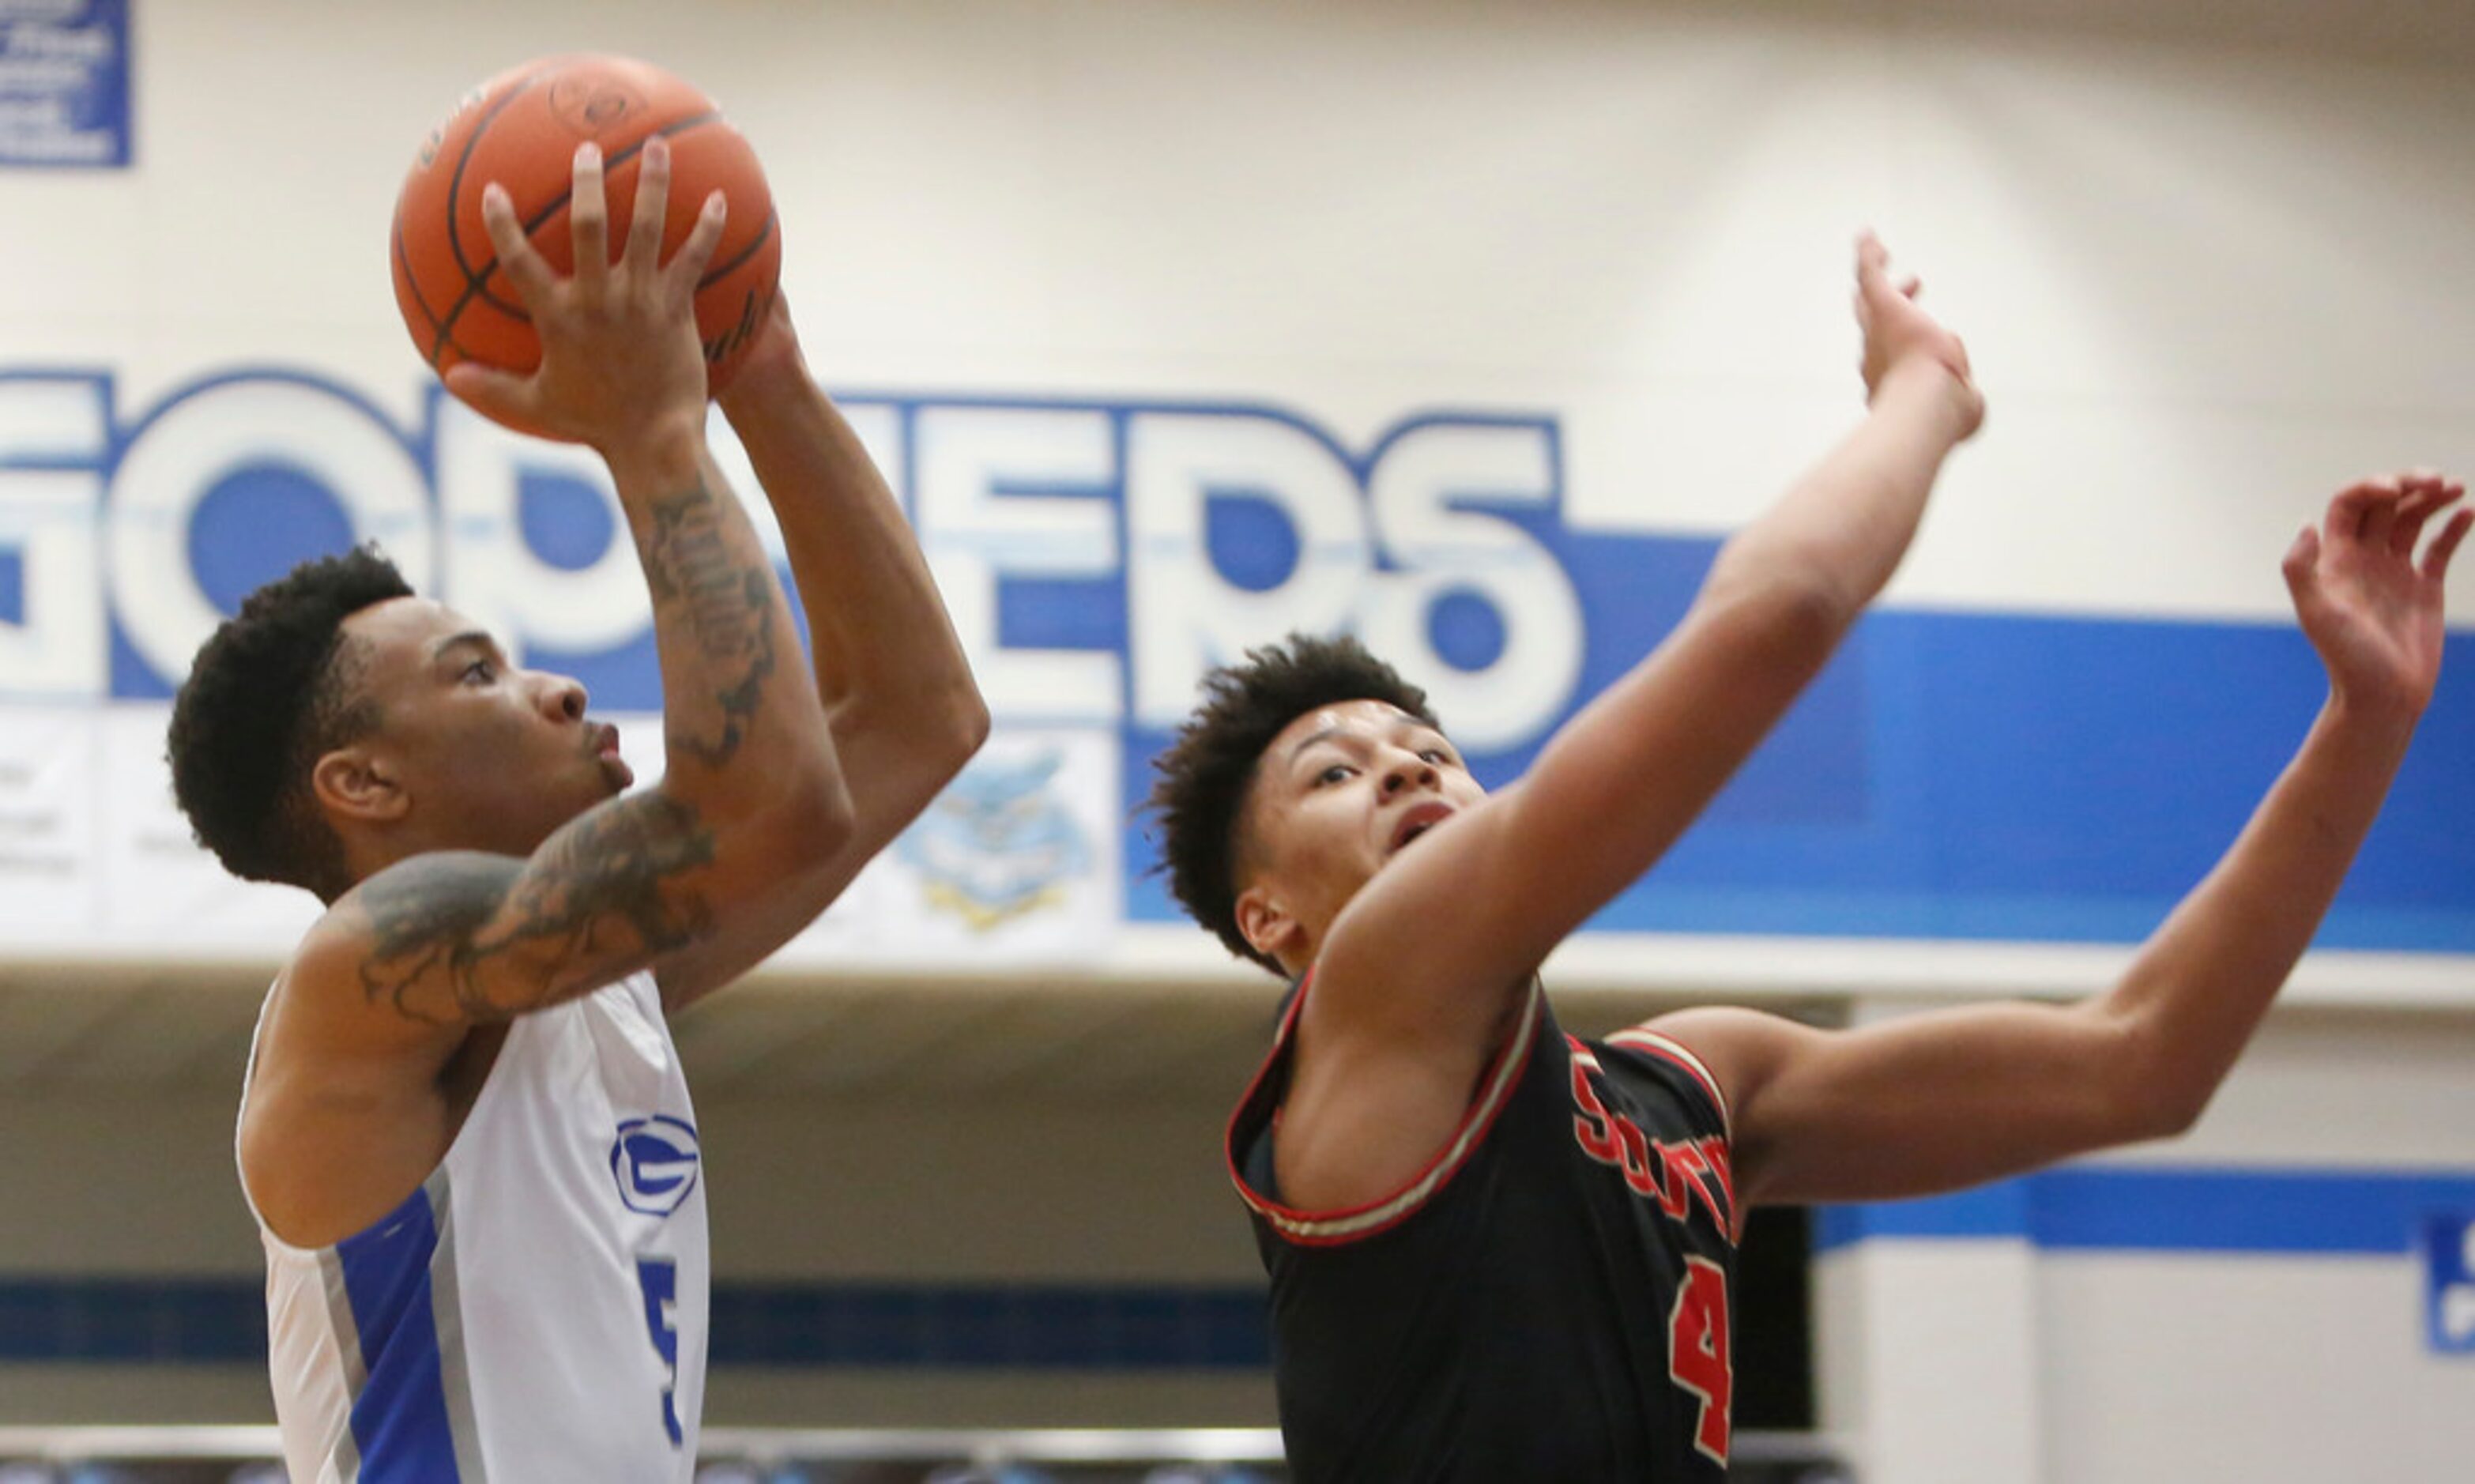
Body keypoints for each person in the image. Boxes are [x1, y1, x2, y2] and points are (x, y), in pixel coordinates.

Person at [1147, 234, 2467, 1482]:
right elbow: (1775, 616)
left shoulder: (1689, 1090)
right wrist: (1923, 395)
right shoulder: (1371, 993)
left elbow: (2142, 1060)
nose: (1405, 764)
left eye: (1427, 744)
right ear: (1273, 922)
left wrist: (2369, 718)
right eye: (1335, 769)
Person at [169, 137, 986, 1482]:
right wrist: (652, 430)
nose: (551, 685)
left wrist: (758, 365)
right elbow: (770, 799)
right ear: (364, 786)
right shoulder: (368, 968)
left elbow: (919, 718)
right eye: (477, 672)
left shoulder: (586, 981)